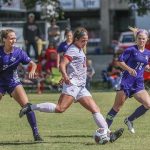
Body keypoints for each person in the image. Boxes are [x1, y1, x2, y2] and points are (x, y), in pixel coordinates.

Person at [19, 27, 124, 143]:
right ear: (76, 40)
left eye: (87, 40)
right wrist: (64, 76)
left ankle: (110, 134)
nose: (85, 42)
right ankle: (30, 107)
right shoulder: (72, 49)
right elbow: (62, 65)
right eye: (83, 40)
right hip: (73, 84)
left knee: (95, 109)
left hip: (81, 87)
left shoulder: (79, 49)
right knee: (60, 108)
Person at [0, 29, 43, 141]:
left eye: (15, 38)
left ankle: (36, 134)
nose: (13, 40)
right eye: (11, 38)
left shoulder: (19, 52)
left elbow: (33, 63)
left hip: (13, 82)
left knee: (27, 106)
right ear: (4, 39)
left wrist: (33, 70)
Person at [106, 27, 150, 134]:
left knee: (148, 104)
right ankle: (104, 129)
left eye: (143, 39)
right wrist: (129, 69)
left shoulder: (148, 53)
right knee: (117, 107)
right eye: (139, 38)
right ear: (136, 39)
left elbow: (144, 65)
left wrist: (147, 68)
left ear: (147, 39)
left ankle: (129, 120)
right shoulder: (131, 50)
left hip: (138, 84)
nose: (141, 40)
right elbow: (120, 62)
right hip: (126, 82)